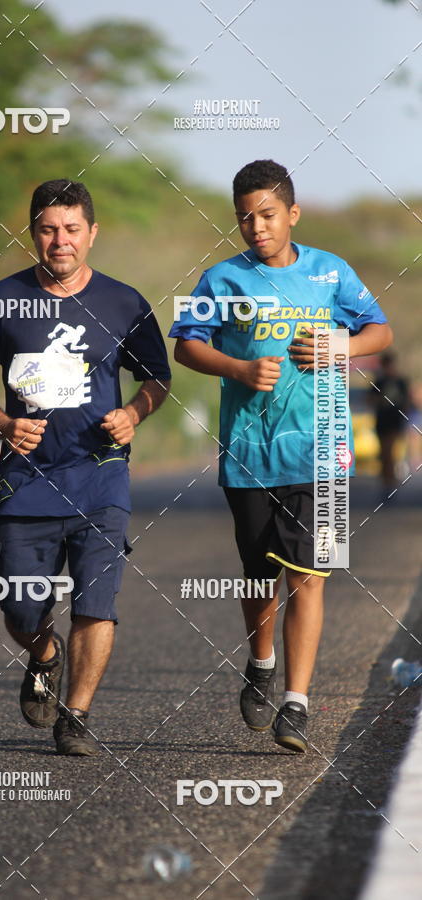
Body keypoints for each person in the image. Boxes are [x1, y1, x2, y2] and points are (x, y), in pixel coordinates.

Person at [170, 159, 392, 753]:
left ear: (292, 214)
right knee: (260, 573)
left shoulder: (331, 272)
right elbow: (186, 346)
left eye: (267, 215)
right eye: (245, 218)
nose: (256, 227)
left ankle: (297, 701)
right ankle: (261, 661)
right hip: (249, 452)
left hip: (322, 450)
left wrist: (336, 343)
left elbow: (379, 331)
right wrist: (238, 367)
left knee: (309, 577)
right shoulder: (221, 279)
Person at [0, 179, 171, 756]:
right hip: (27, 481)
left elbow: (158, 378)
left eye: (72, 229)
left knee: (96, 602)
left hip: (101, 476)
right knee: (22, 607)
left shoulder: (124, 303)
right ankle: (44, 654)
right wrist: (3, 424)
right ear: (34, 234)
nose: (61, 241)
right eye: (49, 229)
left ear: (92, 233)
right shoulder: (1, 301)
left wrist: (134, 412)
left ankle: (75, 716)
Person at [368, 352, 409, 489]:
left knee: (389, 450)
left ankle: (390, 481)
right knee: (384, 453)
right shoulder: (379, 382)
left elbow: (406, 402)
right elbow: (370, 399)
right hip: (382, 421)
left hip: (395, 421)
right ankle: (387, 479)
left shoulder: (400, 381)